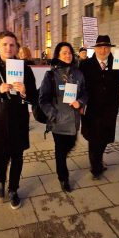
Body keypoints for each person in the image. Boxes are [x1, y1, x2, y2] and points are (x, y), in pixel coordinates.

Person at [0, 31, 37, 209]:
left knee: (17, 157)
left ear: (16, 47)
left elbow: (35, 96)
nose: (9, 48)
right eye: (5, 44)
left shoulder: (24, 68)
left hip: (19, 121)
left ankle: (13, 189)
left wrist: (25, 91)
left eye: (12, 45)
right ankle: (0, 183)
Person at [80, 35, 119, 180]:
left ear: (110, 48)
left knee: (104, 137)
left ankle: (98, 159)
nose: (103, 50)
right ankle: (96, 167)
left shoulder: (117, 63)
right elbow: (78, 84)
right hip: (91, 109)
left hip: (109, 109)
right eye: (100, 47)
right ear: (95, 49)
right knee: (93, 138)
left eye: (106, 47)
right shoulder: (85, 65)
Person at [39, 42, 87, 192]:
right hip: (58, 122)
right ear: (58, 55)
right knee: (60, 151)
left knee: (71, 144)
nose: (68, 55)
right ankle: (63, 177)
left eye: (70, 53)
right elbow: (43, 99)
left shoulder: (78, 73)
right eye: (64, 52)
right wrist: (53, 115)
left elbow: (85, 92)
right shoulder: (51, 75)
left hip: (73, 121)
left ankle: (61, 165)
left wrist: (80, 102)